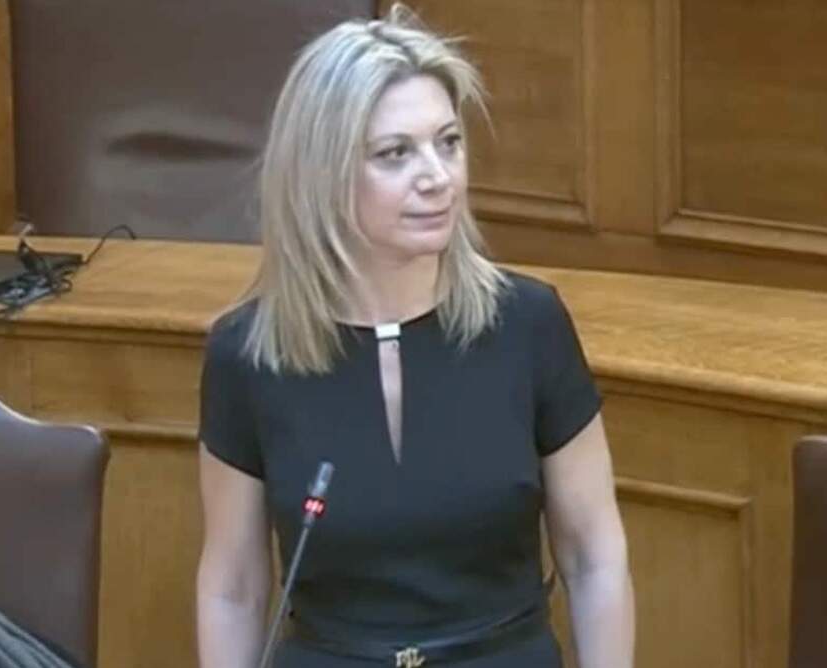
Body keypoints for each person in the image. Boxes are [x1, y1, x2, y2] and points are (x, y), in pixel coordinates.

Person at [195, 5, 635, 667]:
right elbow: (233, 589)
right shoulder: (248, 353)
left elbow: (593, 554)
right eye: (395, 154)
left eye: (448, 142)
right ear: (321, 173)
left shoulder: (528, 324)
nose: (437, 176)